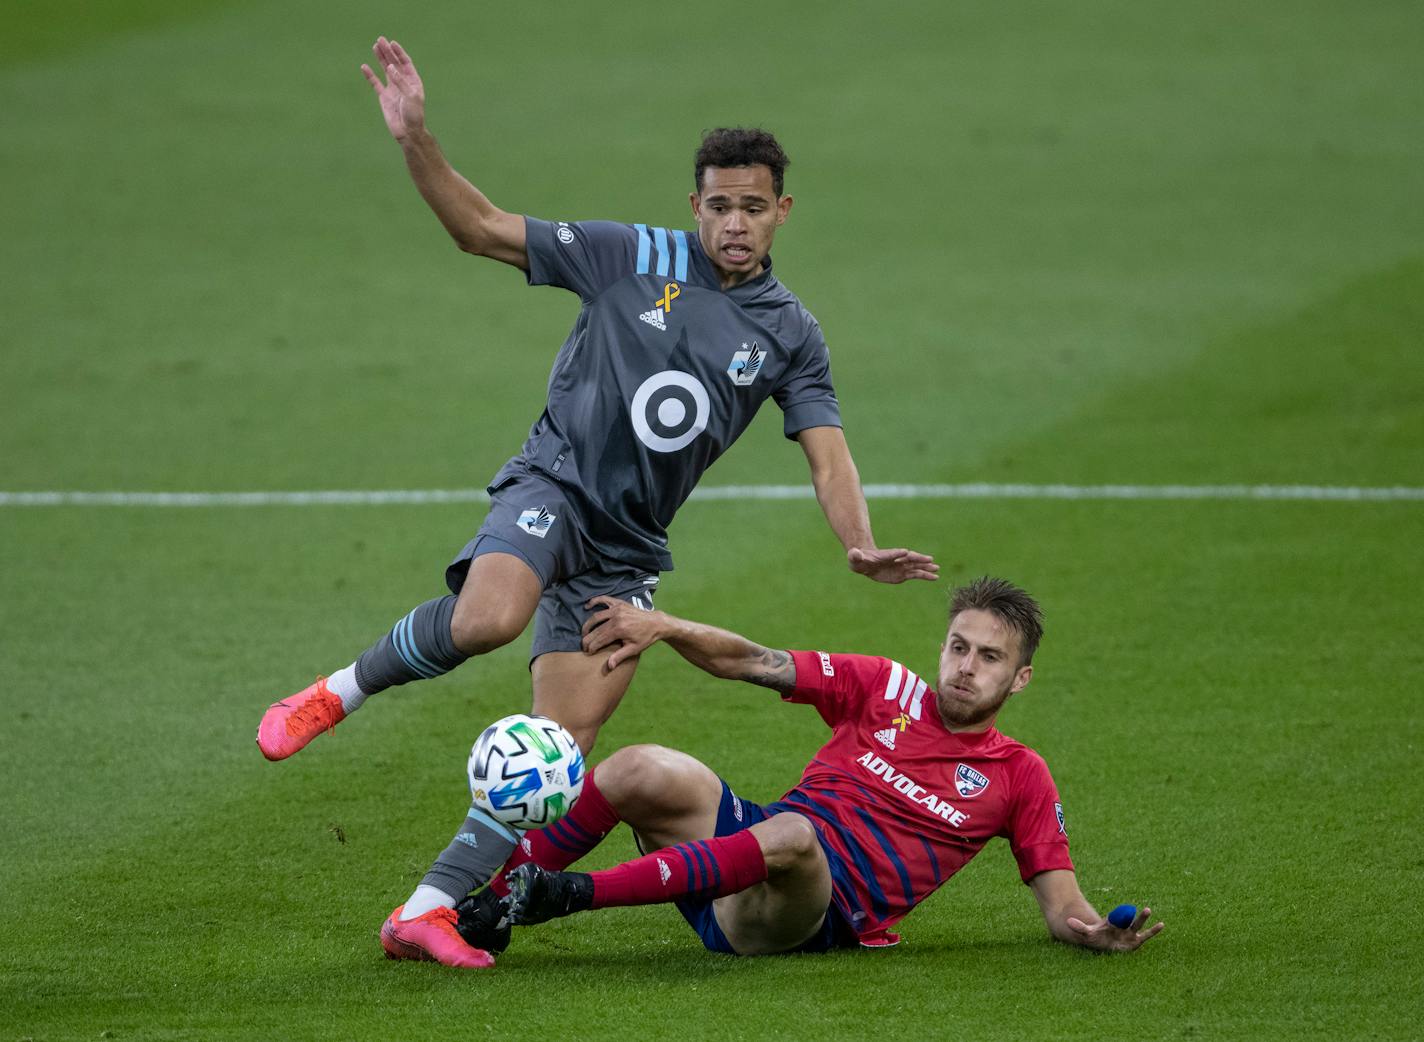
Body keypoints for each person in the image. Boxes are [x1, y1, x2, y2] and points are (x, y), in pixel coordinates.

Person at [260, 36, 936, 961]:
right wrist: (415, 137)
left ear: (781, 212)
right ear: (692, 205)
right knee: (489, 620)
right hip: (555, 489)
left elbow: (829, 455)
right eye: (718, 205)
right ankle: (334, 694)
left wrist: (858, 543)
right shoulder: (628, 255)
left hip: (626, 551)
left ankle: (422, 913)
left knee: (555, 758)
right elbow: (480, 228)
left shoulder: (791, 334)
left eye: (753, 207)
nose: (734, 223)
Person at [408, 576, 1163, 964]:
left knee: (797, 834)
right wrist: (667, 626)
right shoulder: (884, 687)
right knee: (640, 767)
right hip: (743, 849)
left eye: (989, 657)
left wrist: (1093, 931)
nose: (966, 668)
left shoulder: (1018, 775)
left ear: (1019, 679)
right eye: (958, 647)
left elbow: (1063, 904)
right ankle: (493, 899)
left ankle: (559, 897)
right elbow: (754, 662)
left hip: (802, 914)